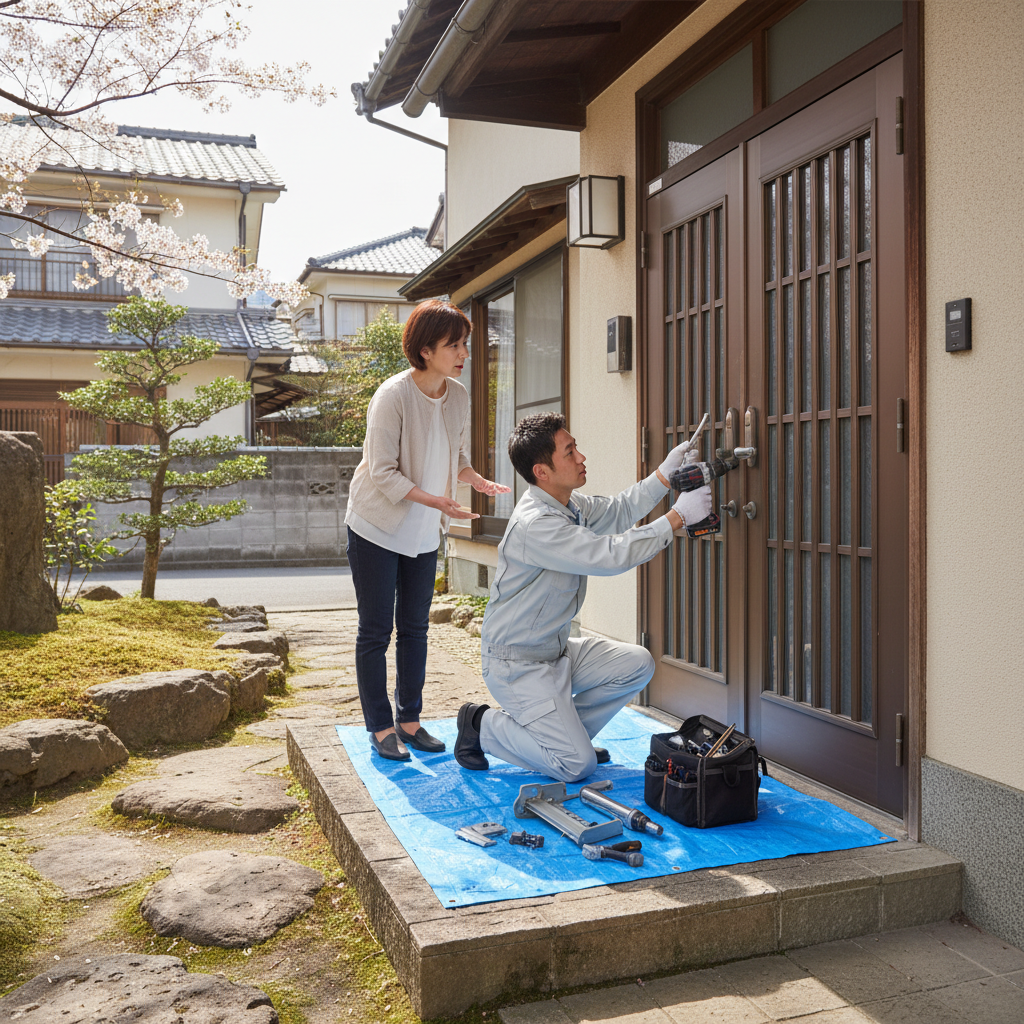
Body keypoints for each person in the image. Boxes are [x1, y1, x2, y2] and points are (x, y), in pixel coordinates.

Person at [453, 411, 711, 782]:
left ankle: (566, 738)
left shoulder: (570, 507)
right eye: (569, 452)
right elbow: (610, 556)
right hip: (517, 665)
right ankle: (481, 724)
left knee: (637, 663)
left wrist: (663, 476)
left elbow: (620, 510)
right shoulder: (537, 524)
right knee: (576, 766)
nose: (581, 458)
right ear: (542, 471)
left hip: (555, 652)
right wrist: (676, 518)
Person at [345, 300, 510, 762]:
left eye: (464, 344)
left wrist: (475, 480)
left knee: (415, 627)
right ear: (424, 350)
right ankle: (380, 727)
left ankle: (411, 720)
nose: (464, 353)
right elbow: (382, 472)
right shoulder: (392, 395)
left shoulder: (457, 394)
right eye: (453, 345)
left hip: (423, 529)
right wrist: (436, 499)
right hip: (377, 525)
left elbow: (455, 457)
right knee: (376, 631)